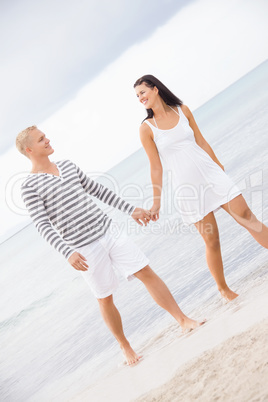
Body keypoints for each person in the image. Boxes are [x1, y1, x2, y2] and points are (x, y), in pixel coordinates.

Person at [16, 125, 204, 366]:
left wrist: (131, 210)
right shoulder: (29, 186)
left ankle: (183, 320)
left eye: (46, 136)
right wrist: (67, 252)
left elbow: (98, 192)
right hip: (83, 249)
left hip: (109, 231)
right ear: (30, 149)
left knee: (146, 271)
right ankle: (125, 347)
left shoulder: (67, 165)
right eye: (42, 139)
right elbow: (42, 224)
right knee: (105, 298)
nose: (48, 140)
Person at [134, 75, 268, 302]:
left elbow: (201, 142)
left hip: (211, 174)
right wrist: (156, 202)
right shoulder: (147, 129)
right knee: (212, 239)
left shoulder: (182, 110)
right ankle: (223, 289)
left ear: (155, 89)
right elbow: (155, 167)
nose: (140, 98)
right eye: (137, 96)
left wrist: (219, 168)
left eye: (143, 92)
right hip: (188, 188)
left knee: (247, 216)